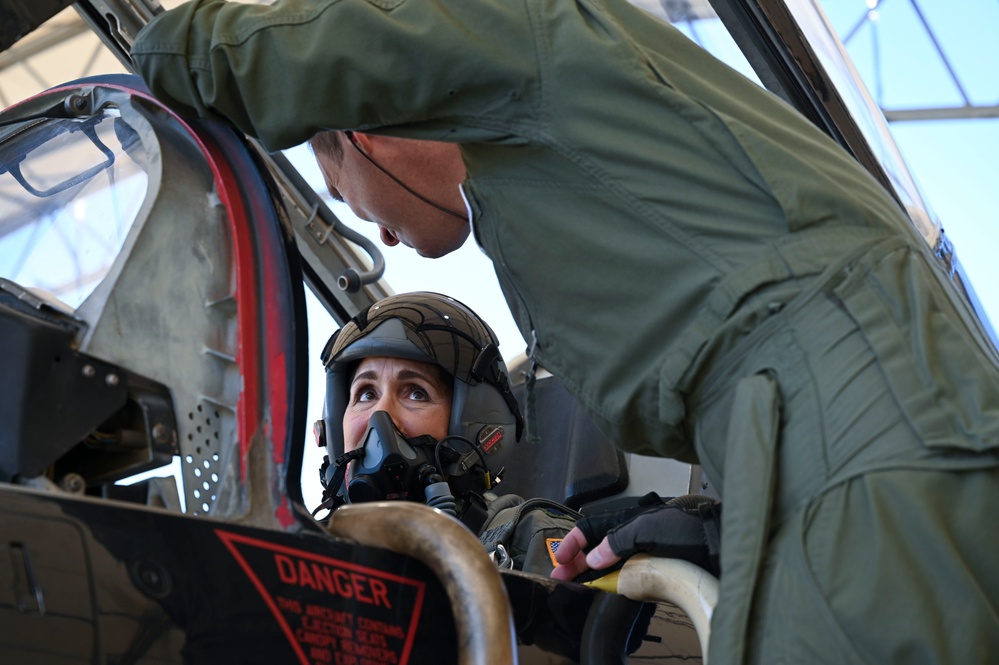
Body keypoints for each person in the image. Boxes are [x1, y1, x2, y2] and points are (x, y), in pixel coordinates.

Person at [131, 1, 999, 661]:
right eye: (364, 391)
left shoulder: (510, 25)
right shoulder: (548, 154)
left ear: (366, 127)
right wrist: (718, 518)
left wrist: (158, 48)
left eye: (352, 200)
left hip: (846, 434)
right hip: (825, 433)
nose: (385, 238)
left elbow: (291, 45)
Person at [316, 290, 580, 575]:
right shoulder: (305, 551)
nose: (382, 416)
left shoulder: (528, 541)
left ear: (471, 427)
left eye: (416, 394)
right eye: (366, 394)